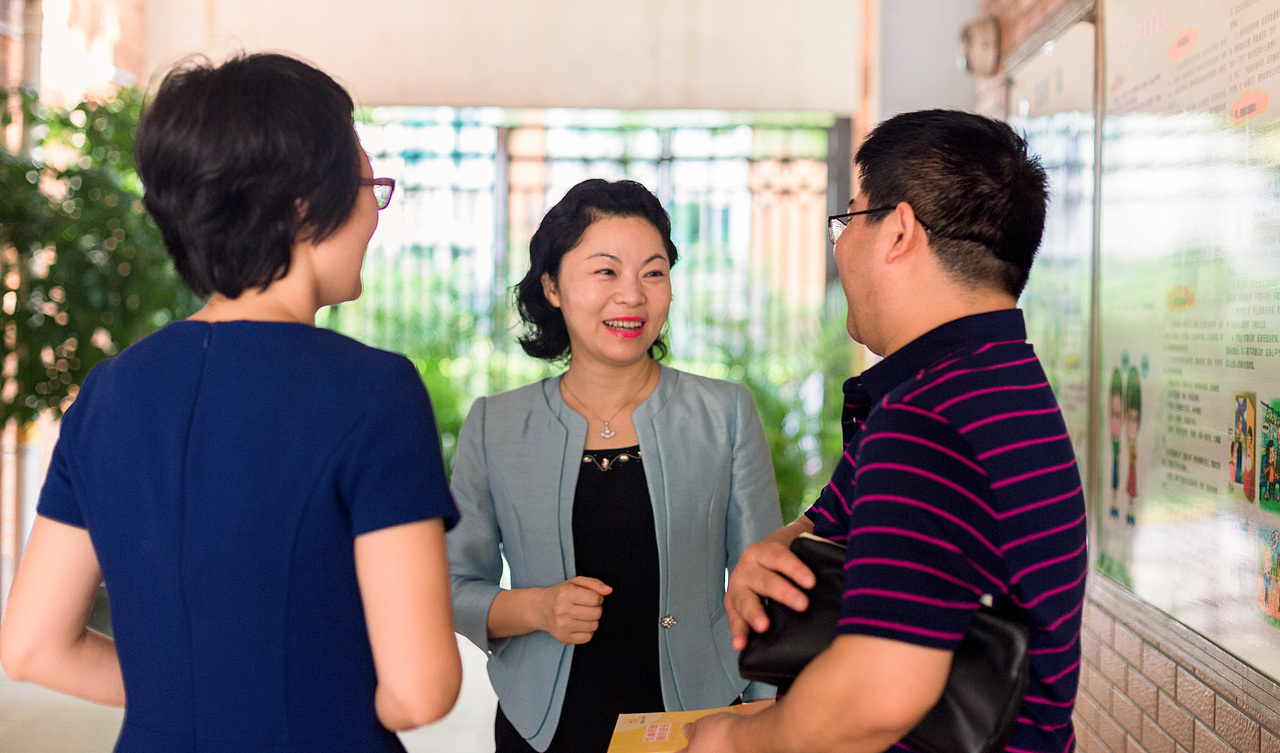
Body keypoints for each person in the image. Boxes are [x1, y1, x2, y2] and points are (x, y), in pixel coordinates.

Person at [0, 53, 462, 753]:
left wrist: (200, 688)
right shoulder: (373, 392)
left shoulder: (109, 392)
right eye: (369, 182)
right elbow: (420, 689)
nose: (374, 208)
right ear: (305, 203)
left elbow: (34, 645)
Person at [685, 110, 1087, 753]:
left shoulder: (929, 420)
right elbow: (834, 522)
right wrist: (781, 547)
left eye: (848, 220)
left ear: (898, 231)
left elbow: (878, 695)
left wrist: (737, 741)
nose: (839, 244)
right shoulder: (991, 382)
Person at [447, 178, 782, 753]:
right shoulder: (495, 425)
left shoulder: (723, 412)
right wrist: (538, 606)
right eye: (606, 272)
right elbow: (450, 585)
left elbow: (765, 585)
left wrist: (761, 715)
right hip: (545, 727)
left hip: (697, 724)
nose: (632, 296)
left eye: (653, 273)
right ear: (552, 286)